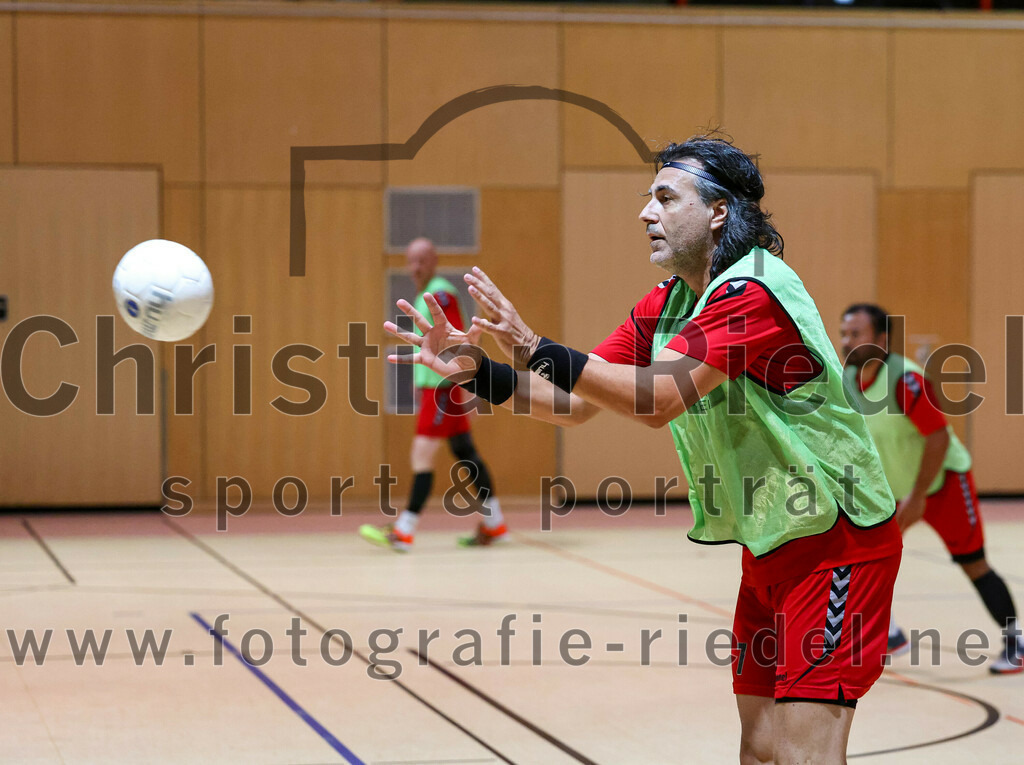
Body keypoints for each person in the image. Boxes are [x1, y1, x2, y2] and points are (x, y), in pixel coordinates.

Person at [385, 135, 903, 764]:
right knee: (761, 749)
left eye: (664, 197)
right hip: (773, 542)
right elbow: (576, 403)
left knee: (804, 755)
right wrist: (477, 373)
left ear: (718, 211)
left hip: (837, 542)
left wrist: (537, 345)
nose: (645, 213)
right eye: (647, 199)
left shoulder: (757, 291)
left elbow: (658, 400)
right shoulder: (668, 305)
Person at [840, 303, 1023, 674]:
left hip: (940, 484)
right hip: (892, 490)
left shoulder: (905, 380)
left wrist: (919, 495)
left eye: (856, 334)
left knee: (974, 565)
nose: (846, 342)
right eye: (844, 333)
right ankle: (889, 635)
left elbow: (937, 438)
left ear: (881, 339)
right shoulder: (848, 378)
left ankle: (1015, 642)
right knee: (860, 558)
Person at [360, 237, 506, 551]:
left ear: (434, 260)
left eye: (421, 260)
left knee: (421, 455)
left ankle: (404, 530)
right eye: (410, 261)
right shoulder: (428, 293)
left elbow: (454, 341)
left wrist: (457, 385)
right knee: (466, 453)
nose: (415, 267)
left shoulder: (440, 294)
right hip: (438, 387)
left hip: (443, 389)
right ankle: (495, 524)